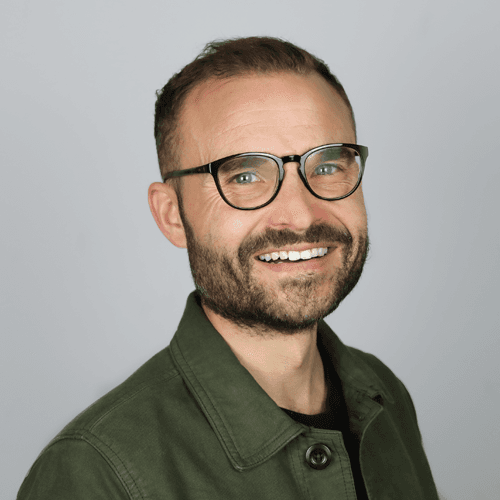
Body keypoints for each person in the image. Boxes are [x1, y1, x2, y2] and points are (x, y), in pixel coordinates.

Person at [17, 36, 441, 499]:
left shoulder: (384, 396)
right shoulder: (95, 473)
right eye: (244, 176)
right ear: (172, 215)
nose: (301, 215)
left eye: (326, 166)